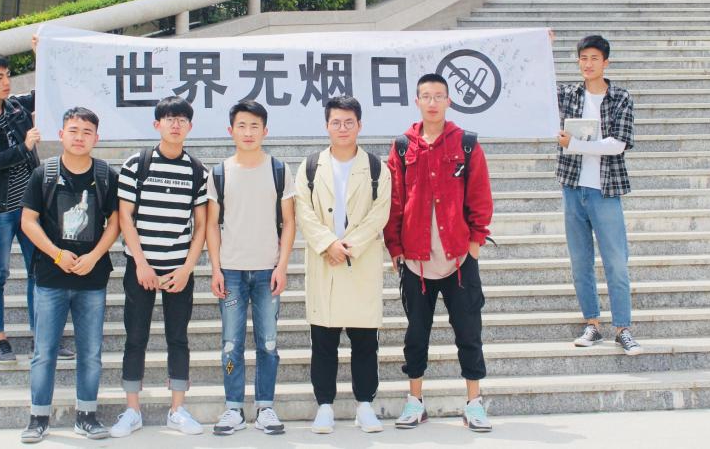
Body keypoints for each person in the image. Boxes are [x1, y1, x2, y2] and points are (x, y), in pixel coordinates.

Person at [384, 73, 494, 433]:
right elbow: (394, 201)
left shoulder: (466, 143)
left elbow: (480, 195)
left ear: (449, 101)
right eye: (426, 96)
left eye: (438, 96)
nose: (432, 102)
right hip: (416, 261)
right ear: (416, 101)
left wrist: (474, 244)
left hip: (459, 259)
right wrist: (395, 246)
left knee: (468, 332)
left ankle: (474, 403)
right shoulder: (403, 146)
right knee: (416, 335)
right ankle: (415, 402)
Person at [19, 107, 120, 443]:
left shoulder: (106, 175)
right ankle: (38, 418)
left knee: (90, 353)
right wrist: (57, 253)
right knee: (44, 352)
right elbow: (28, 221)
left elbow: (115, 223)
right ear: (61, 134)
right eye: (73, 131)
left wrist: (94, 256)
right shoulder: (44, 173)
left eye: (87, 132)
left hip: (92, 278)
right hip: (51, 277)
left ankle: (87, 416)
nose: (80, 137)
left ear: (96, 138)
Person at [110, 96, 208, 438]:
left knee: (178, 339)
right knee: (135, 338)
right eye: (169, 119)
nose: (175, 125)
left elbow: (201, 225)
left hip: (178, 272)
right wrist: (141, 264)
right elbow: (125, 217)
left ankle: (177, 409)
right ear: (157, 124)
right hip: (140, 270)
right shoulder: (137, 164)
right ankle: (132, 410)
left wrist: (186, 269)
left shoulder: (197, 170)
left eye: (182, 119)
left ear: (190, 126)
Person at [0, 44, 64, 364]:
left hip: (31, 208)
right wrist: (24, 147)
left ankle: (42, 337)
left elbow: (47, 89)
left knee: (39, 270)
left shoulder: (17, 106)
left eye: (7, 75)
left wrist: (40, 54)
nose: (6, 82)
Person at [294, 96, 391, 434]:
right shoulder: (310, 166)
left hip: (359, 264)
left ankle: (365, 405)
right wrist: (327, 244)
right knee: (323, 341)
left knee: (365, 342)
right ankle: (325, 406)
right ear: (327, 126)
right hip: (326, 264)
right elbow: (303, 211)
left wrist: (349, 246)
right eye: (336, 122)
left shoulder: (377, 167)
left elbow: (380, 212)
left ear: (359, 125)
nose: (343, 128)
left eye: (349, 122)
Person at [205, 100, 296, 436]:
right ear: (230, 131)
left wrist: (282, 266)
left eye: (254, 126)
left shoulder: (279, 170)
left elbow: (290, 222)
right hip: (230, 271)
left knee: (268, 343)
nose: (247, 132)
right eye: (241, 126)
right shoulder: (219, 172)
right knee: (231, 344)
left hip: (267, 270)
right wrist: (215, 268)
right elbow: (211, 224)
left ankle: (265, 406)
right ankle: (233, 408)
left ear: (265, 131)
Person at [556, 35, 642, 355]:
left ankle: (623, 328)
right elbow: (536, 88)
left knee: (616, 262)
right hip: (572, 187)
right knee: (580, 262)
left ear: (606, 62)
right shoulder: (568, 94)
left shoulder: (620, 97)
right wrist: (541, 45)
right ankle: (592, 324)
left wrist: (574, 144)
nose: (588, 64)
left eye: (594, 58)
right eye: (583, 58)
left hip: (605, 190)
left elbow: (618, 144)